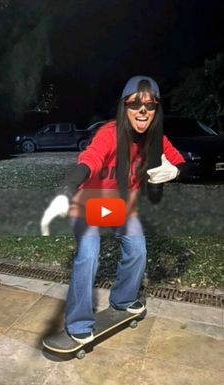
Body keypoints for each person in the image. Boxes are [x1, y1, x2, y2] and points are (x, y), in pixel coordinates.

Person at [41, 75, 186, 344]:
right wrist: (67, 189)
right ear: (124, 107)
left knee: (138, 249)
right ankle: (79, 322)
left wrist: (176, 170)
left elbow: (183, 161)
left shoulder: (156, 139)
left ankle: (123, 299)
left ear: (156, 109)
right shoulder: (110, 133)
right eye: (135, 104)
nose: (142, 110)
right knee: (88, 253)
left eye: (150, 105)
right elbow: (90, 160)